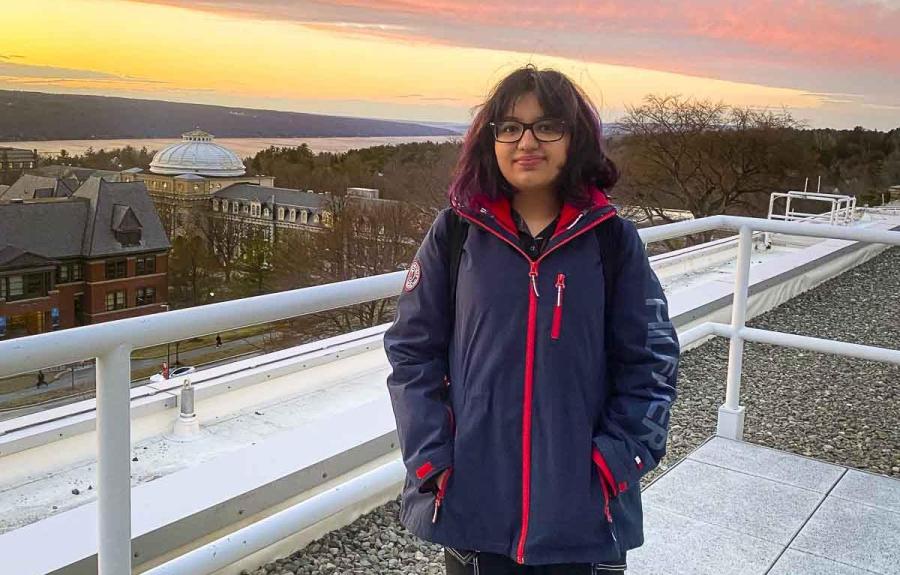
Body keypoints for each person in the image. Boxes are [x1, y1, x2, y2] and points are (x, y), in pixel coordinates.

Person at [384, 65, 680, 574]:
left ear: (574, 137)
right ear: (490, 138)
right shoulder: (457, 232)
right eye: (510, 126)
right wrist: (433, 460)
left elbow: (652, 361)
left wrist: (616, 461)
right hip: (474, 506)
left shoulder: (611, 240)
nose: (527, 141)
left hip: (586, 516)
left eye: (547, 126)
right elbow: (412, 351)